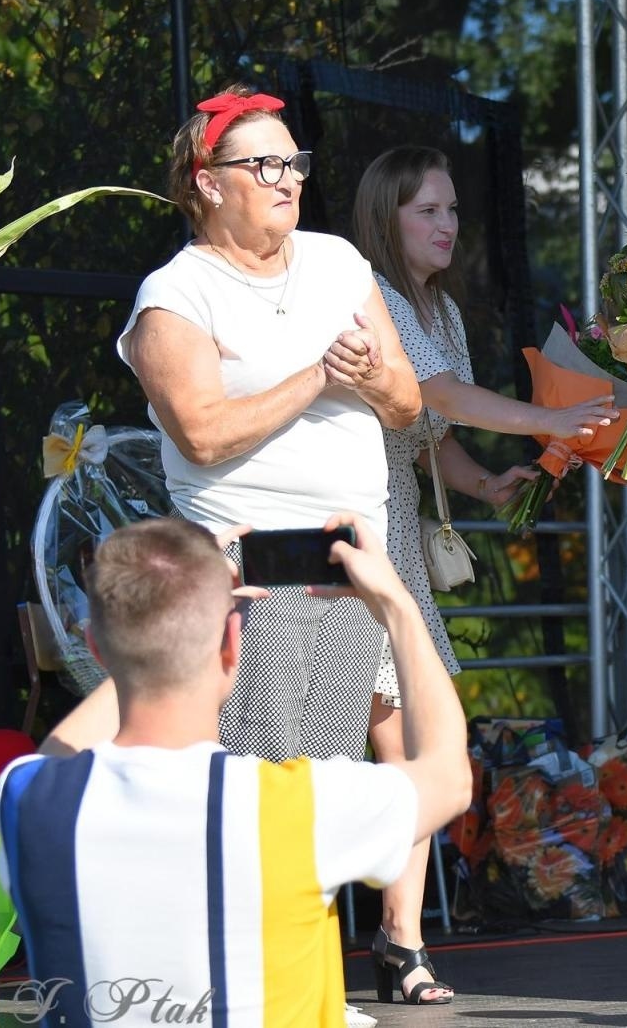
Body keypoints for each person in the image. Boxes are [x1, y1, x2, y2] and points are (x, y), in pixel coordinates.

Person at [0, 515, 472, 1026]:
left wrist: (138, 643)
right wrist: (398, 606)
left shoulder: (28, 799)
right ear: (231, 645)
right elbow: (449, 778)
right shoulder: (295, 807)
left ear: (96, 649)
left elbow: (58, 750)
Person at [350, 145, 618, 1003]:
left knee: (415, 742)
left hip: (394, 529)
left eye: (454, 210)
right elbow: (440, 397)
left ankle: (400, 938)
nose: (448, 225)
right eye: (427, 210)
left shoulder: (443, 312)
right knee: (393, 743)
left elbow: (435, 439)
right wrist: (551, 418)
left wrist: (486, 482)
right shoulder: (371, 294)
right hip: (348, 528)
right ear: (387, 217)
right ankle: (375, 940)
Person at [116, 85, 421, 765]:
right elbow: (201, 435)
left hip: (349, 554)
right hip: (252, 565)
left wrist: (370, 375)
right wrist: (319, 376)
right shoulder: (176, 293)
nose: (290, 180)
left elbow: (408, 406)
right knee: (259, 773)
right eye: (266, 166)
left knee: (329, 772)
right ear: (209, 184)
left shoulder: (338, 262)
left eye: (295, 163)